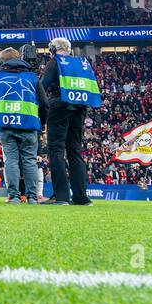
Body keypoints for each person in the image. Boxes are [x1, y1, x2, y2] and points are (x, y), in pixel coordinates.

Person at [40, 37, 100, 206]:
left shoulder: (54, 62)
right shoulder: (83, 63)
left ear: (53, 50)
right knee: (75, 151)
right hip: (79, 108)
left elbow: (42, 86)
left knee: (56, 150)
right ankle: (81, 197)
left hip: (59, 106)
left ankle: (61, 196)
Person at [0, 46, 42, 204]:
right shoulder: (32, 77)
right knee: (30, 160)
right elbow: (44, 103)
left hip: (6, 125)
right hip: (29, 125)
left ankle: (14, 196)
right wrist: (41, 122)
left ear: (2, 62)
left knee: (11, 160)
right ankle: (32, 197)